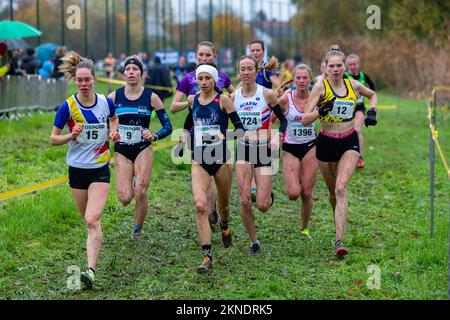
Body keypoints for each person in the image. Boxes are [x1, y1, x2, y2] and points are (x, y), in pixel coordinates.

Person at [50, 51, 120, 289]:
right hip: (76, 170)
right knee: (89, 222)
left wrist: (113, 131)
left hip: (100, 168)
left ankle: (90, 271)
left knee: (92, 219)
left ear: (94, 79)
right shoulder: (67, 107)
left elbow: (113, 118)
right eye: (79, 80)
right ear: (75, 80)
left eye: (87, 79)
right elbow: (53, 139)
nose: (83, 84)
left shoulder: (105, 102)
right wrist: (72, 135)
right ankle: (95, 245)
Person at [302, 45, 377, 257]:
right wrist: (319, 112)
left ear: (345, 67)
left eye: (339, 65)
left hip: (348, 141)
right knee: (332, 192)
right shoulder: (320, 87)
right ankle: (338, 212)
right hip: (326, 142)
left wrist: (372, 111)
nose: (336, 69)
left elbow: (373, 95)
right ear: (325, 68)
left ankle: (339, 242)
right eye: (331, 66)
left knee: (341, 188)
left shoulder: (353, 84)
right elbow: (305, 118)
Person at [184, 63, 244, 272]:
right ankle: (207, 256)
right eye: (200, 79)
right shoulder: (192, 100)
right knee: (200, 206)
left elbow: (240, 131)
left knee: (224, 207)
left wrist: (224, 135)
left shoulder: (223, 100)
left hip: (221, 159)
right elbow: (188, 124)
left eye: (207, 78)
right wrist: (183, 141)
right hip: (199, 159)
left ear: (215, 80)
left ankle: (225, 226)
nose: (203, 83)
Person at [170, 41, 235, 228]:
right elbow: (174, 106)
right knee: (204, 173)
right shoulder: (188, 78)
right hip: (195, 133)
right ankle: (206, 208)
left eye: (208, 55)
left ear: (214, 56)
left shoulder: (222, 77)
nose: (204, 58)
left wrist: (227, 101)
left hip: (218, 135)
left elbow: (235, 96)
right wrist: (192, 102)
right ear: (195, 56)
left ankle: (211, 208)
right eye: (201, 55)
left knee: (215, 175)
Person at [108, 55, 172, 241]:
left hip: (143, 148)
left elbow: (168, 126)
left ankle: (137, 230)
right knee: (125, 198)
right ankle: (133, 177)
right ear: (123, 74)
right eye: (128, 69)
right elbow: (105, 123)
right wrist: (112, 132)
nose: (131, 72)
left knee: (141, 191)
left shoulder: (152, 97)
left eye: (135, 69)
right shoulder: (113, 97)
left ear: (142, 73)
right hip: (122, 150)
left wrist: (154, 135)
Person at [232, 55, 288, 256]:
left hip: (264, 148)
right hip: (243, 149)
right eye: (242, 69)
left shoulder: (267, 95)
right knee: (245, 200)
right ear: (239, 72)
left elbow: (284, 121)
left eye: (249, 69)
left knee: (262, 205)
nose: (246, 72)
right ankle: (254, 241)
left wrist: (277, 137)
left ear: (256, 72)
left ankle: (266, 195)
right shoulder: (233, 97)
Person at [271, 64, 318, 238]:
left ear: (310, 79)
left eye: (305, 78)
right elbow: (273, 119)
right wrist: (277, 135)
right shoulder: (286, 98)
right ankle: (293, 179)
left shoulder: (316, 97)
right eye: (298, 77)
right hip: (290, 147)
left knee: (306, 191)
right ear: (294, 79)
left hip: (310, 145)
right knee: (293, 193)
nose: (302, 81)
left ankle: (304, 227)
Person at [344, 54, 376, 168]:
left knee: (357, 129)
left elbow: (372, 89)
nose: (352, 66)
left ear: (358, 64)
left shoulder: (364, 76)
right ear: (346, 65)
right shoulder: (344, 76)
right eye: (350, 64)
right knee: (344, 131)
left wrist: (363, 93)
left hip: (359, 107)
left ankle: (359, 157)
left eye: (354, 64)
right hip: (346, 108)